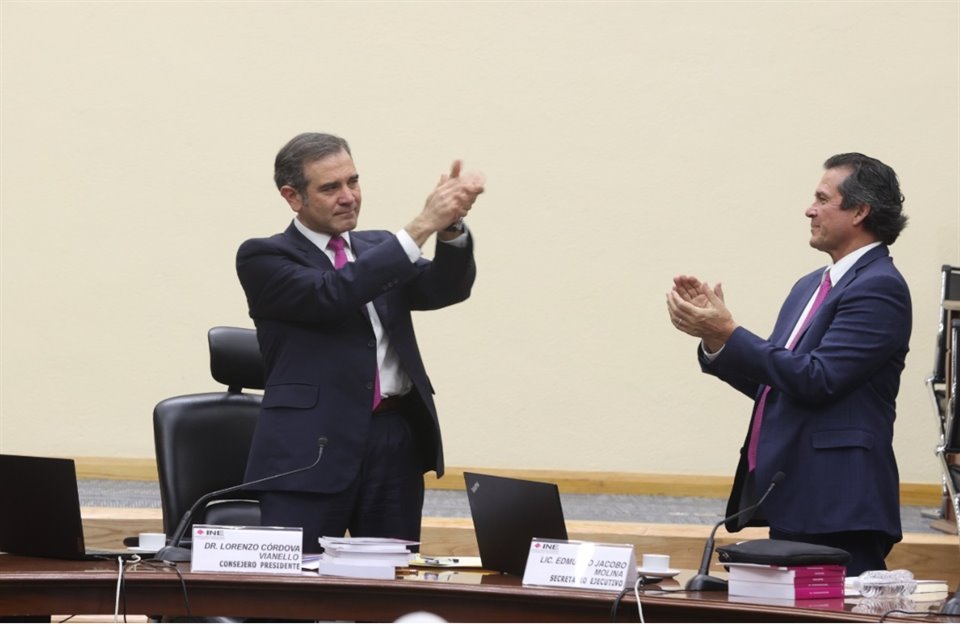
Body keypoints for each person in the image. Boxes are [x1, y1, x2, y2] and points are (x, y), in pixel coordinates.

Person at [236, 132, 484, 552]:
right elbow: (333, 294)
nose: (349, 197)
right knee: (294, 598)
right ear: (293, 196)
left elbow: (443, 288)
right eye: (330, 188)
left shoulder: (379, 248)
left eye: (353, 181)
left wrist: (450, 227)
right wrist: (421, 223)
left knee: (389, 593)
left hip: (393, 442)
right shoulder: (264, 257)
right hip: (308, 451)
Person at [666, 153, 911, 575]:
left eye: (821, 198)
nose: (808, 209)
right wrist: (715, 338)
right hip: (791, 494)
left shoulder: (880, 287)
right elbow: (779, 380)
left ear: (860, 211)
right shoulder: (810, 286)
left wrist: (731, 332)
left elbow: (819, 379)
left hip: (839, 503)